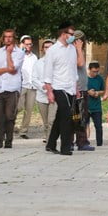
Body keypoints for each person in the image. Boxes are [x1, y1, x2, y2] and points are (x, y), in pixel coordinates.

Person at [44, 22, 81, 155]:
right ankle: (65, 148)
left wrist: (76, 88)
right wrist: (49, 91)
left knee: (60, 116)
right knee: (67, 117)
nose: (73, 37)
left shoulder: (71, 49)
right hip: (58, 87)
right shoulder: (53, 51)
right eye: (71, 34)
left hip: (70, 86)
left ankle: (51, 143)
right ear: (63, 34)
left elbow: (74, 69)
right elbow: (47, 73)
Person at [0, 29, 25, 149]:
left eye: (10, 37)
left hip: (12, 88)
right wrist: (7, 69)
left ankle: (8, 141)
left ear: (14, 39)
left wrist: (8, 54)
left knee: (9, 116)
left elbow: (13, 69)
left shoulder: (19, 52)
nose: (8, 39)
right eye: (6, 37)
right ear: (3, 39)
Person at [72, 30, 95, 151]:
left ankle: (81, 140)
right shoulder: (73, 51)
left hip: (82, 88)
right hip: (76, 89)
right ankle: (78, 141)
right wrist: (79, 48)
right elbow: (80, 64)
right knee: (76, 116)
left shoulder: (79, 51)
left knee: (82, 116)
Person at [31, 40, 56, 143]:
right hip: (42, 96)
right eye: (46, 47)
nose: (48, 49)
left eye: (50, 47)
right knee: (46, 121)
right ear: (43, 49)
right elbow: (34, 78)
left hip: (54, 95)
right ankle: (47, 135)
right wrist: (43, 87)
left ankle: (50, 140)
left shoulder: (57, 63)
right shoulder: (38, 63)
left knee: (51, 120)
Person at [16, 35, 38, 139]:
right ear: (22, 44)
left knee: (28, 110)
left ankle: (23, 131)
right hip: (21, 85)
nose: (29, 46)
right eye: (27, 44)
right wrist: (20, 51)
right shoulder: (17, 55)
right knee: (18, 107)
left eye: (30, 44)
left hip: (31, 86)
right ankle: (9, 125)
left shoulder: (34, 57)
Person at [86, 62, 105, 146]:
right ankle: (84, 141)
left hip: (96, 106)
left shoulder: (99, 79)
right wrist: (88, 92)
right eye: (93, 71)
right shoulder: (85, 79)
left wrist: (98, 93)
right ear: (89, 70)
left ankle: (99, 143)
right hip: (86, 105)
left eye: (97, 71)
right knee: (85, 125)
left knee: (98, 126)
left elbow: (104, 90)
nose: (95, 73)